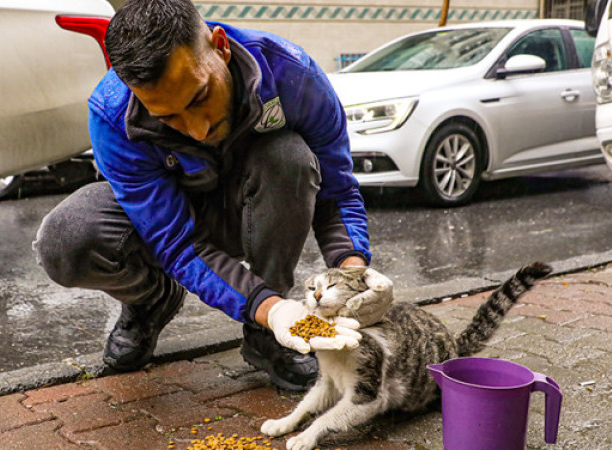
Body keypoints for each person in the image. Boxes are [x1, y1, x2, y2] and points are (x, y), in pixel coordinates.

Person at [33, 0, 393, 391]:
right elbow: (179, 244)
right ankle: (152, 299)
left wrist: (354, 274)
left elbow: (336, 189)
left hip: (258, 203)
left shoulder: (291, 74)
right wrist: (272, 311)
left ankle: (267, 338)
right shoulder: (113, 117)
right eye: (168, 117)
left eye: (199, 97)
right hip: (177, 221)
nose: (198, 129)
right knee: (66, 238)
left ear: (219, 46)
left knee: (289, 156)